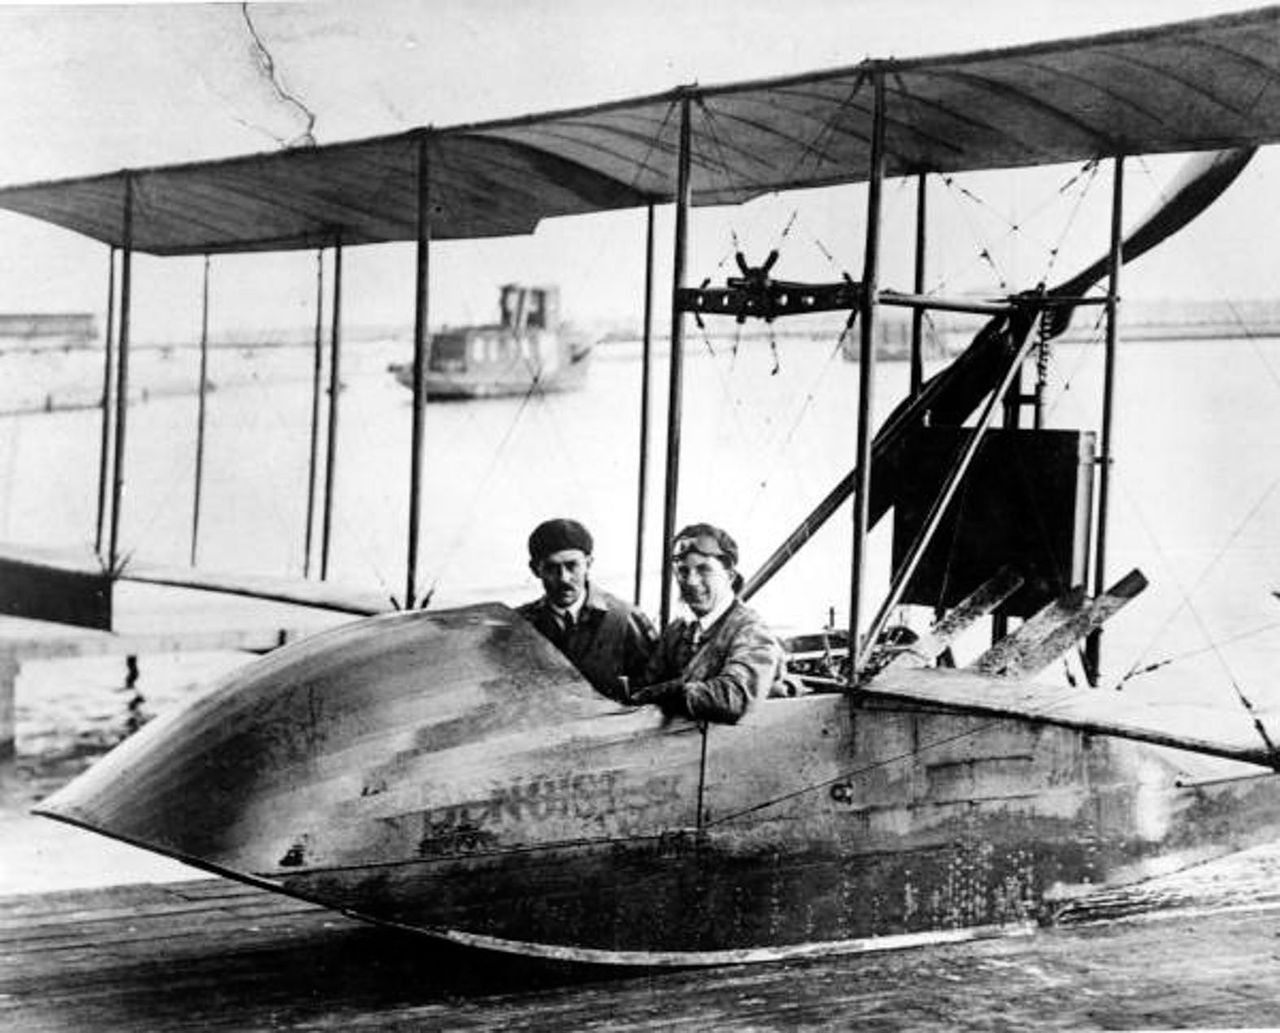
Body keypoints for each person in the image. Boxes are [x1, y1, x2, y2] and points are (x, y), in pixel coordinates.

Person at [629, 522, 786, 724]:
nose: (691, 581)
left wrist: (667, 692)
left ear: (729, 576)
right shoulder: (677, 631)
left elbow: (734, 697)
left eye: (704, 569)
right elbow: (645, 684)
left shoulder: (751, 630)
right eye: (683, 571)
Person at [516, 517, 657, 702]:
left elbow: (654, 692)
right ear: (535, 570)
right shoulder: (519, 625)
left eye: (572, 565)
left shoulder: (626, 619)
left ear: (588, 563)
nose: (564, 578)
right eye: (551, 568)